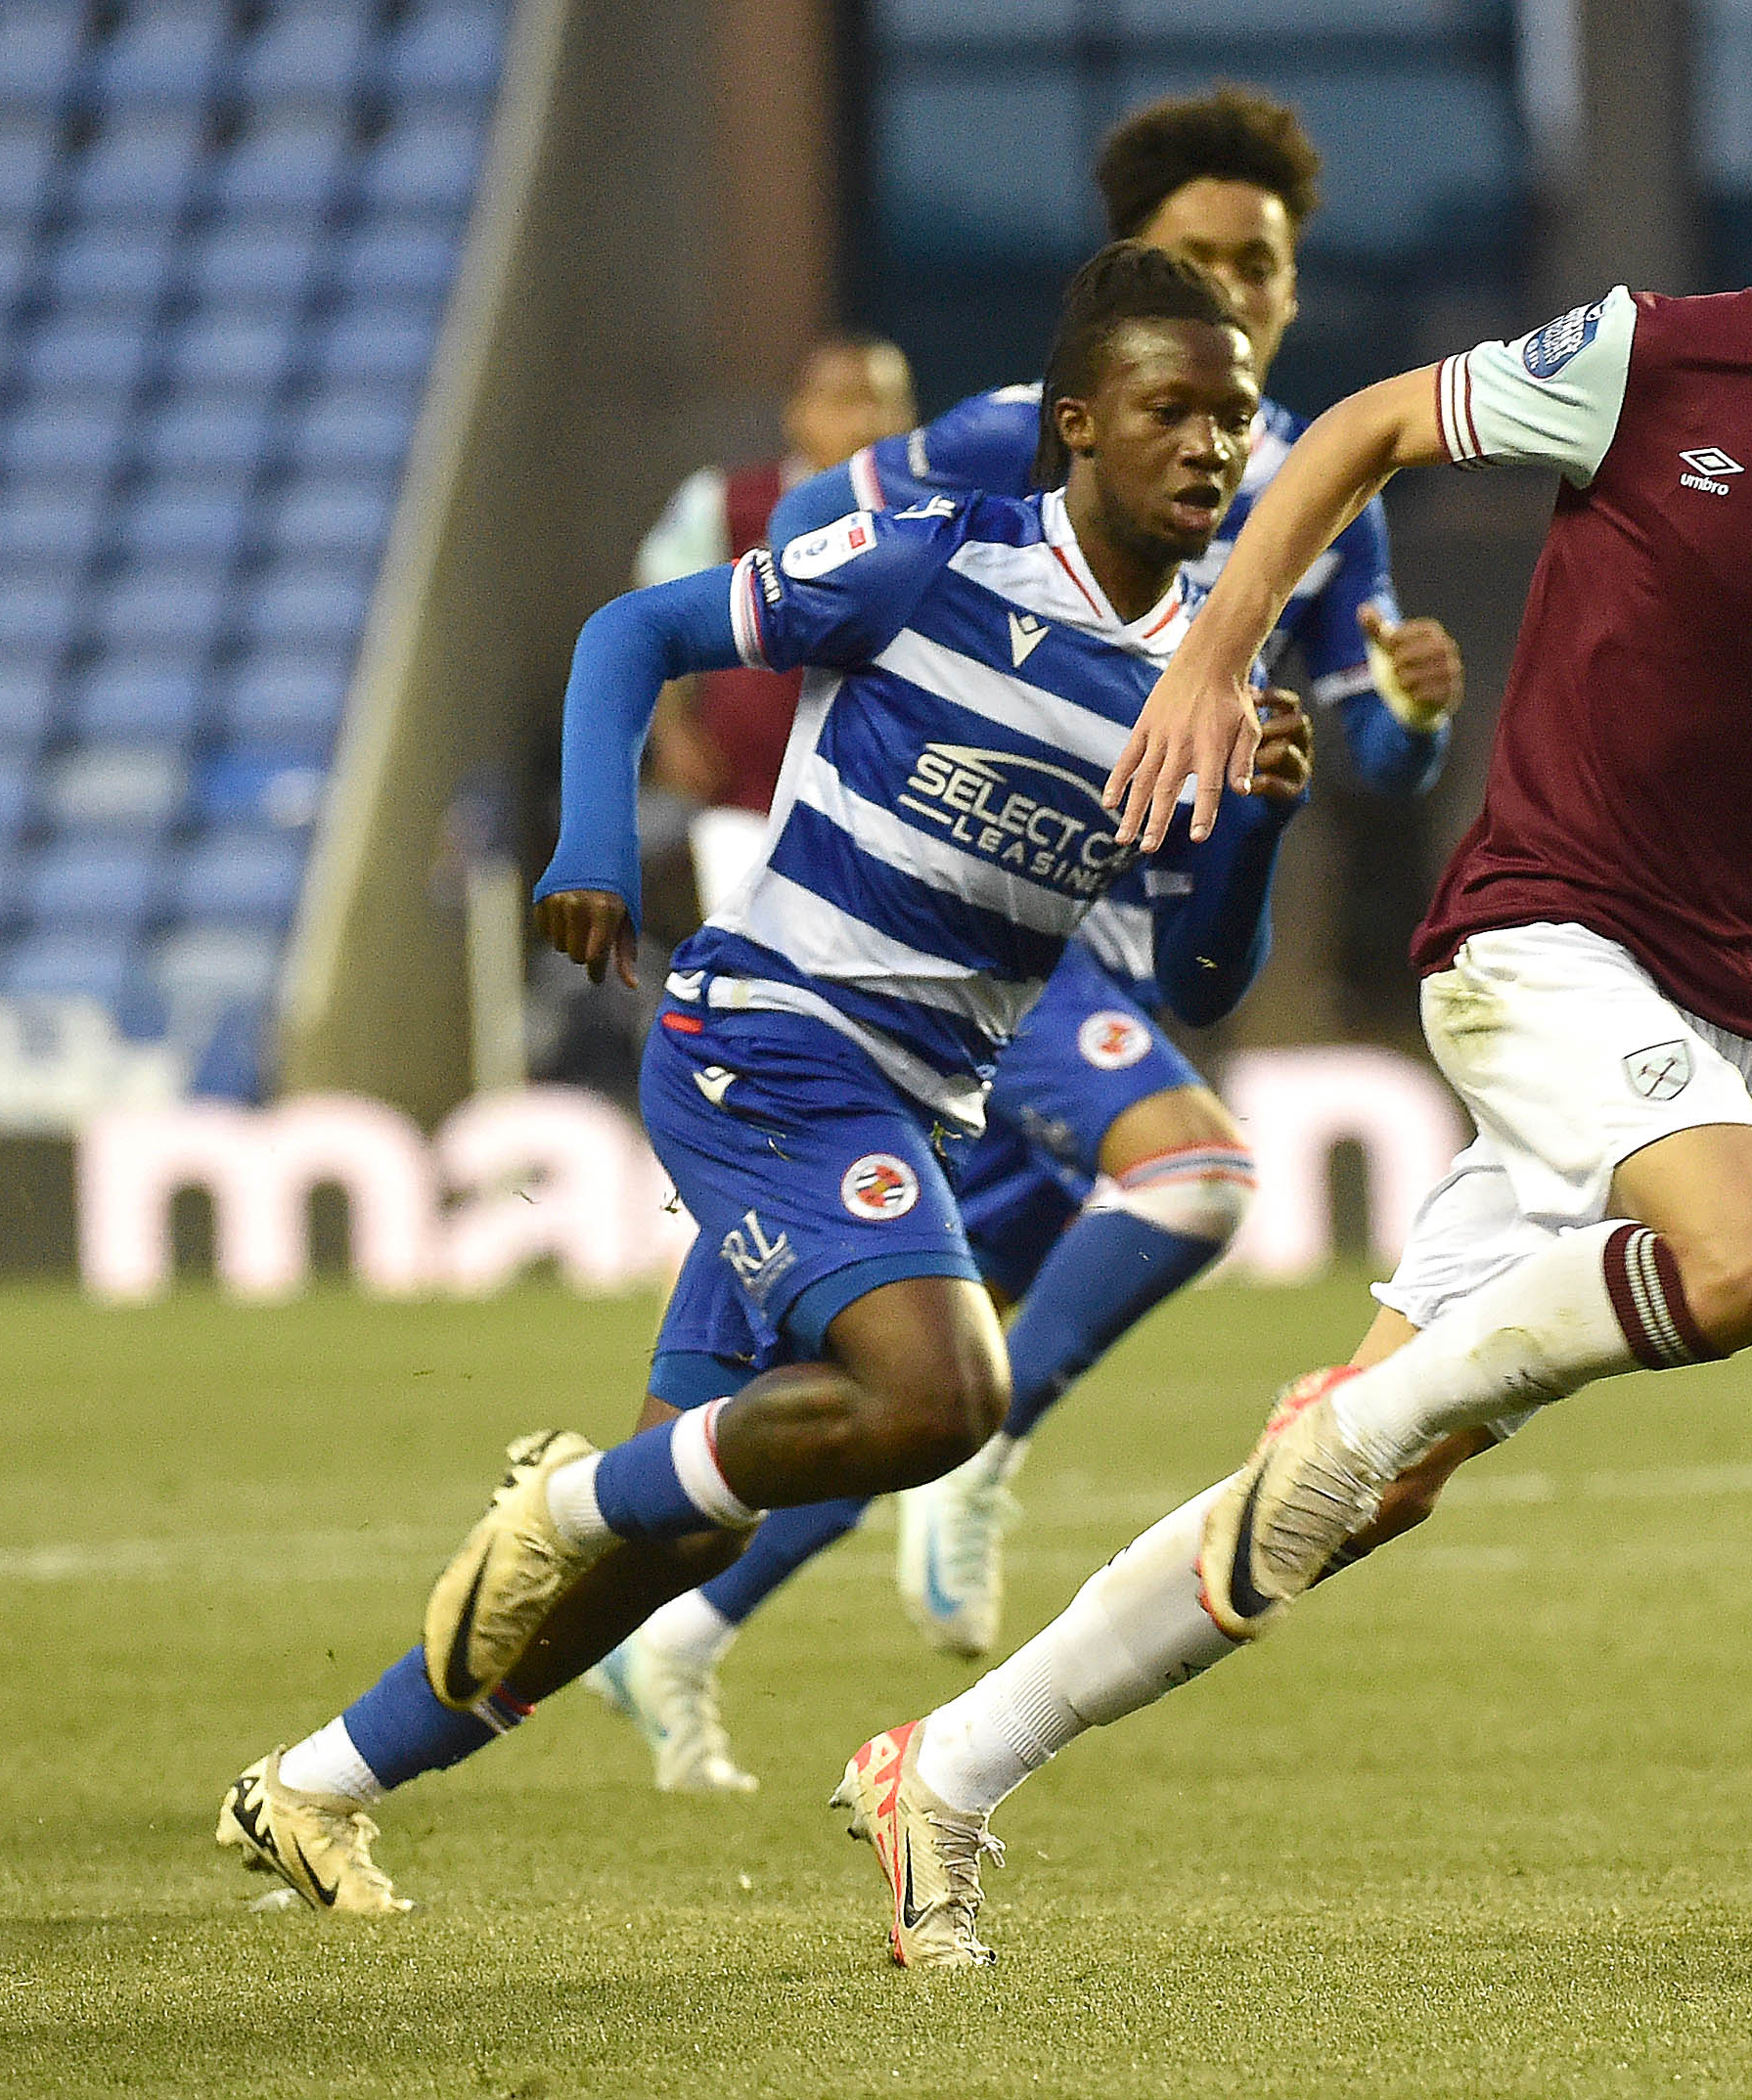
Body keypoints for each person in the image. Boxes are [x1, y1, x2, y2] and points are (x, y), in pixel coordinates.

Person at [831, 47, 1752, 1969]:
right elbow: (1348, 441)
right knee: (1751, 1263)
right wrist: (1206, 663)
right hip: (1538, 942)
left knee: (1344, 1498)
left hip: (1712, 1017)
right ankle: (1382, 1401)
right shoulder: (1657, 359)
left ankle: (950, 1765)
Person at [211, 245, 1308, 1913]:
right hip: (773, 1039)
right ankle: (569, 1495)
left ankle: (308, 1784)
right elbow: (632, 632)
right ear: (1077, 421)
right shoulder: (936, 561)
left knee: (690, 1531)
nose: (1210, 447)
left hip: (900, 1099)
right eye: (1170, 408)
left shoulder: (1203, 682)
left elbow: (1206, 978)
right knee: (943, 1393)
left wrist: (1258, 816)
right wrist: (591, 840)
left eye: (1231, 418)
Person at [579, 89, 1472, 1800]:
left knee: (914, 1350)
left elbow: (1360, 750)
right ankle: (985, 1470)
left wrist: (1418, 724)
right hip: (989, 931)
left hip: (1113, 956)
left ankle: (681, 1628)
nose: (1243, 284)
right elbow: (790, 540)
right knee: (1192, 1180)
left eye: (1263, 262)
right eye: (1201, 258)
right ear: (1136, 274)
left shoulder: (1323, 492)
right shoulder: (1022, 438)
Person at [633, 337, 919, 918]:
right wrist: (672, 731)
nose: (868, 421)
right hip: (745, 796)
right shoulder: (727, 503)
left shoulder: (932, 518)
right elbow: (651, 623)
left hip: (883, 813)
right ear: (798, 412)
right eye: (845, 401)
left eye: (884, 402)